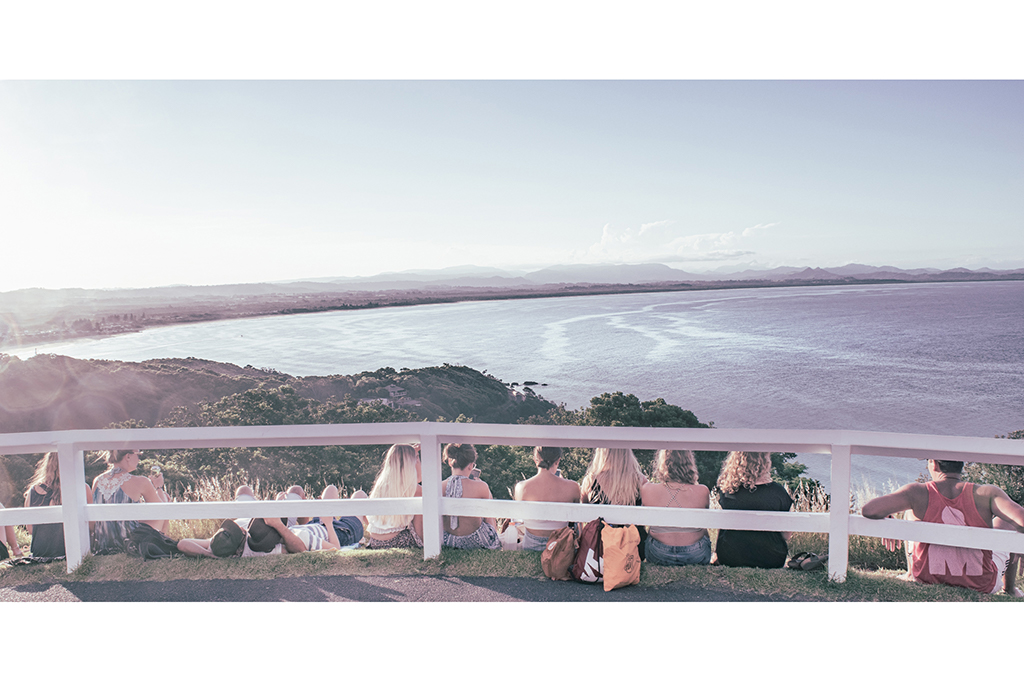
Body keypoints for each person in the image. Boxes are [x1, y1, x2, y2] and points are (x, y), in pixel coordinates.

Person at [862, 458, 1024, 595]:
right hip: (981, 584)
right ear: (962, 465)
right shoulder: (987, 493)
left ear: (933, 464)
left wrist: (887, 513)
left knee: (910, 512)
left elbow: (869, 510)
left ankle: (911, 573)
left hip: (927, 577)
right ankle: (1009, 589)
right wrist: (1019, 544)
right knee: (1008, 521)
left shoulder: (917, 492)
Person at [177, 483, 358, 557]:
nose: (240, 528)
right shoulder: (261, 547)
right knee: (338, 492)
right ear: (241, 539)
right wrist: (327, 522)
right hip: (333, 531)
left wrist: (212, 555)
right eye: (239, 530)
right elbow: (300, 547)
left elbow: (182, 543)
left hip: (307, 528)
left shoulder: (219, 544)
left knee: (243, 490)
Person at [713, 451, 793, 569]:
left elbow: (723, 526)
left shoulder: (727, 490)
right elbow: (786, 535)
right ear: (766, 463)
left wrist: (716, 552)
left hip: (730, 556)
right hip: (771, 559)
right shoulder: (778, 492)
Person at [640, 449, 712, 566]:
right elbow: (704, 528)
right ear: (689, 463)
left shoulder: (647, 489)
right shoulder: (702, 491)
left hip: (658, 553)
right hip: (695, 554)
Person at [90, 449, 168, 554]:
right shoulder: (141, 481)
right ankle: (162, 545)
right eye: (138, 455)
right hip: (131, 544)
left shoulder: (97, 480)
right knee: (165, 509)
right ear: (128, 457)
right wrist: (158, 487)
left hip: (103, 545)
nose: (139, 459)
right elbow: (161, 510)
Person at [579, 447, 650, 558]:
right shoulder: (640, 480)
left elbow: (584, 516)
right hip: (632, 548)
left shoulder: (590, 481)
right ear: (627, 454)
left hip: (599, 548)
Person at [23, 451, 93, 558]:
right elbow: (91, 525)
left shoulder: (33, 491)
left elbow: (31, 529)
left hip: (40, 552)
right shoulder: (81, 488)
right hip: (70, 550)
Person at [513, 446, 581, 551]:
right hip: (560, 546)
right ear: (558, 461)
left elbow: (520, 518)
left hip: (531, 544)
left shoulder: (521, 487)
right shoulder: (572, 487)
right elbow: (575, 519)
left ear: (535, 460)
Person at [440, 443, 500, 550]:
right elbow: (489, 515)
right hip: (476, 541)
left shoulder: (439, 486)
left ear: (450, 462)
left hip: (448, 540)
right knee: (488, 508)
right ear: (471, 465)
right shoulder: (481, 486)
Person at [364, 444, 424, 550]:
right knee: (424, 504)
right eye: (417, 458)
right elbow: (419, 477)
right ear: (412, 464)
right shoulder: (415, 490)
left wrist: (407, 453)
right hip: (397, 541)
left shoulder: (382, 486)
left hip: (375, 542)